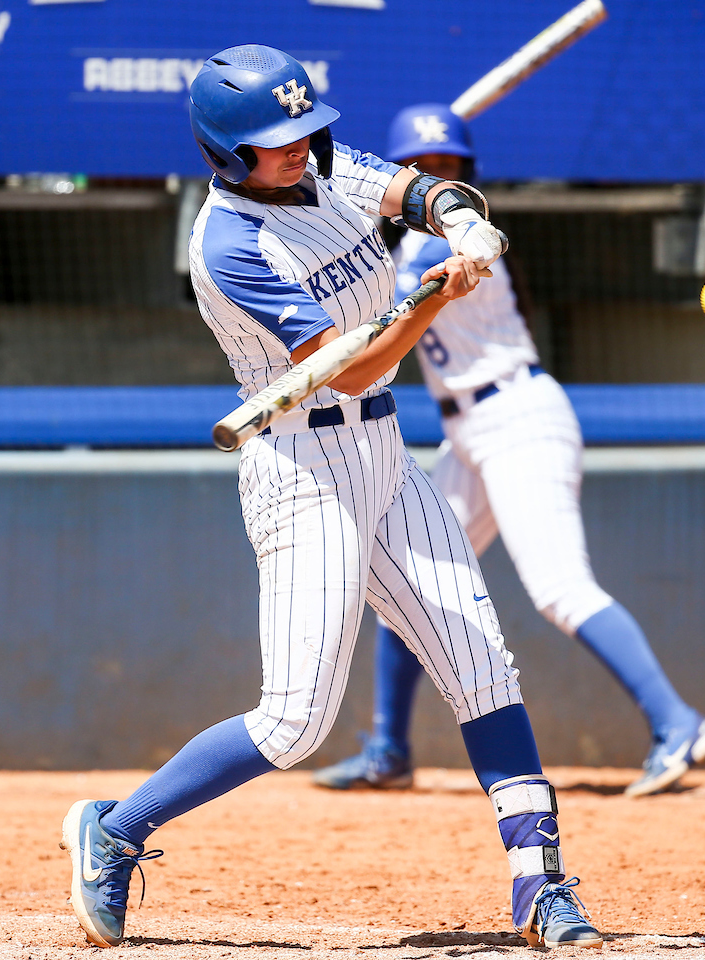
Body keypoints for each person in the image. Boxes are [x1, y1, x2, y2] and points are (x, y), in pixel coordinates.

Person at [60, 47, 602, 951]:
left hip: (384, 455)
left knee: (482, 666)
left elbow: (420, 192)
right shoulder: (230, 245)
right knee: (295, 721)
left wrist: (464, 225)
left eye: (307, 131)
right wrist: (431, 294)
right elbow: (357, 369)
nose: (299, 150)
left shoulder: (321, 164)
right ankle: (114, 830)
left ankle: (539, 886)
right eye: (276, 143)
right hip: (303, 474)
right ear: (228, 155)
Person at [312, 104, 705, 800]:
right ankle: (388, 749)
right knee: (404, 583)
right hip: (469, 435)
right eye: (427, 169)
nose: (441, 178)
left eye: (452, 169)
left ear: (467, 180)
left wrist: (382, 216)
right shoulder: (400, 249)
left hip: (518, 418)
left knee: (560, 588)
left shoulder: (460, 241)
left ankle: (676, 722)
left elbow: (404, 271)